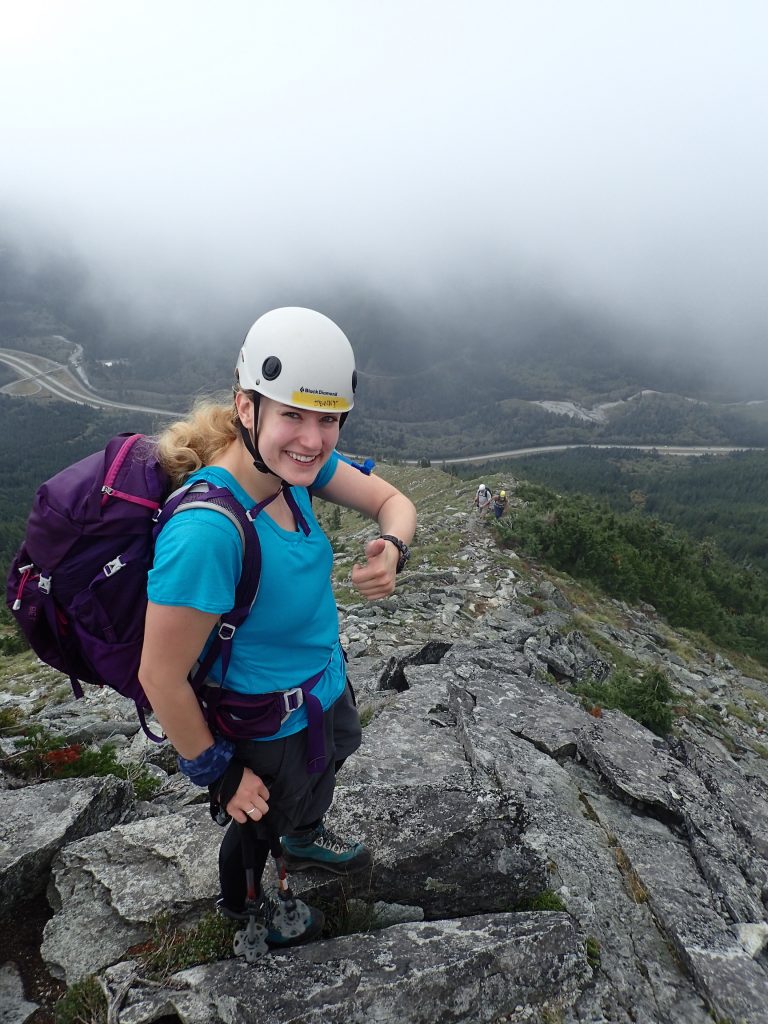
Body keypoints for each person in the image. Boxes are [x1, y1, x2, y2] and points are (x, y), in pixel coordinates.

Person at [138, 307, 416, 950]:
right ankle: (246, 909)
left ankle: (304, 835)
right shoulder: (209, 530)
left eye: (327, 418)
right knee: (254, 827)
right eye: (293, 414)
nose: (314, 439)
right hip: (263, 725)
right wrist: (220, 774)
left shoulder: (293, 469)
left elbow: (392, 502)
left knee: (311, 790)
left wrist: (392, 547)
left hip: (320, 693)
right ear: (246, 407)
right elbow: (159, 673)